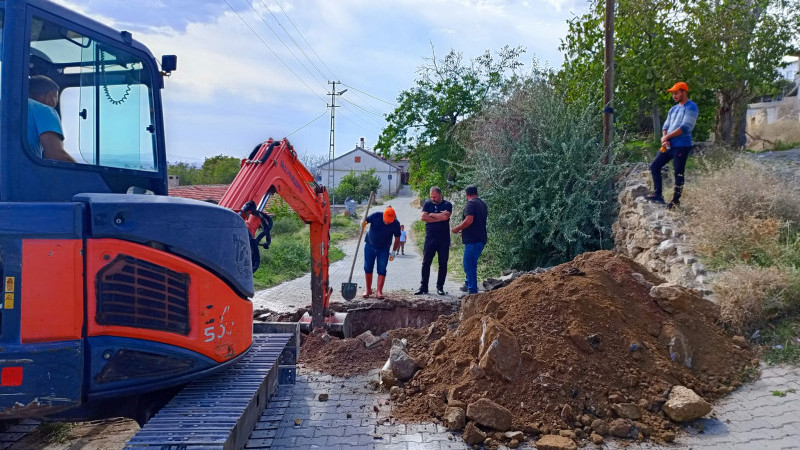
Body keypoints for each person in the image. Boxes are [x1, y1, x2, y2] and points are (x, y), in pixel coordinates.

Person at [647, 81, 698, 210]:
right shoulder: (673, 109)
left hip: (682, 145)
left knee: (678, 173)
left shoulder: (691, 107)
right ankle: (658, 195)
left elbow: (686, 127)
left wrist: (667, 137)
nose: (674, 96)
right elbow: (666, 125)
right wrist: (664, 138)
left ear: (684, 92)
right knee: (654, 166)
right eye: (673, 94)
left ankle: (675, 201)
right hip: (669, 145)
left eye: (676, 93)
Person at [27, 75, 75, 163]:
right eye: (56, 98)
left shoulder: (8, 108)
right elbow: (55, 155)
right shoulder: (45, 110)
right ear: (49, 96)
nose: (56, 103)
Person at [415, 186, 452, 296]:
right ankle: (423, 287)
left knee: (443, 263)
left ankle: (440, 287)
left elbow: (445, 216)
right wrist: (438, 217)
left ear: (440, 195)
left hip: (443, 239)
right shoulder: (427, 204)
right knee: (426, 263)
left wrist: (431, 215)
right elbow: (423, 217)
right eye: (431, 197)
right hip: (430, 238)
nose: (433, 199)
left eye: (435, 197)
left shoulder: (447, 204)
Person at [451, 185, 488, 295]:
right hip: (480, 238)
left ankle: (472, 291)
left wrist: (458, 228)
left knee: (469, 264)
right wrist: (465, 231)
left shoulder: (470, 204)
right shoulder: (483, 204)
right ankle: (467, 283)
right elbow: (477, 222)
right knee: (471, 262)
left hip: (473, 240)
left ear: (467, 195)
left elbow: (469, 220)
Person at [362, 206, 401, 300]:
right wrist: (362, 223)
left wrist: (393, 252)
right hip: (369, 246)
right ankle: (368, 290)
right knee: (367, 267)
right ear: (383, 215)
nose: (387, 222)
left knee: (382, 268)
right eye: (386, 220)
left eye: (389, 221)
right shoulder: (376, 216)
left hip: (384, 249)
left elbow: (397, 238)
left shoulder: (396, 223)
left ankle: (379, 291)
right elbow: (365, 220)